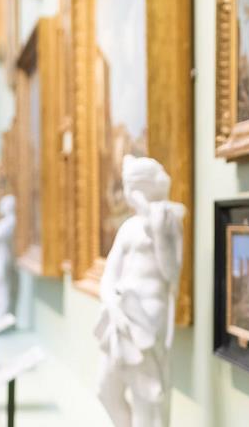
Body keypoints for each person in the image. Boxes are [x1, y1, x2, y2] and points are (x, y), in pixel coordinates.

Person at [95, 155, 185, 427]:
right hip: (120, 313)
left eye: (129, 186)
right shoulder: (128, 227)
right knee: (105, 389)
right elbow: (110, 272)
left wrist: (156, 227)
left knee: (147, 396)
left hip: (148, 315)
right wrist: (110, 302)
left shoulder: (167, 220)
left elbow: (171, 272)